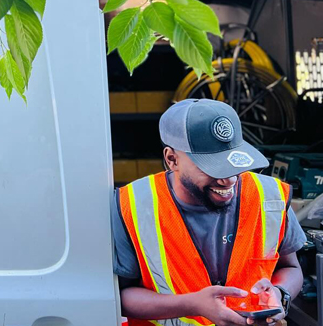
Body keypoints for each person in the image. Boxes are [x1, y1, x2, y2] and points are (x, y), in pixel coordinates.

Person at [112, 99, 305, 326]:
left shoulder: (270, 196)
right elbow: (121, 296)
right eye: (213, 167)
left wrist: (279, 293)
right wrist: (193, 304)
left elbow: (290, 268)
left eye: (234, 163)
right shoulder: (131, 205)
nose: (229, 179)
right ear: (172, 159)